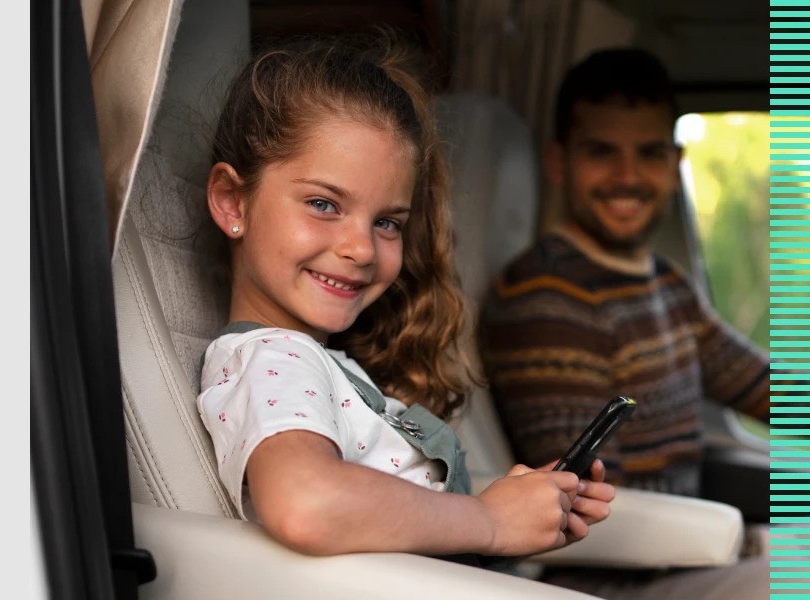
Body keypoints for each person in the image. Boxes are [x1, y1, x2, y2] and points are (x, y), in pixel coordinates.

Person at [195, 34, 614, 565]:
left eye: (387, 222)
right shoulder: (275, 359)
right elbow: (306, 504)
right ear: (233, 202)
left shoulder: (325, 366)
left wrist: (515, 508)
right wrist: (489, 522)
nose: (361, 248)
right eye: (323, 204)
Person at [478, 48, 769, 598]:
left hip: (692, 556)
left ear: (675, 163)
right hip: (614, 579)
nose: (628, 176)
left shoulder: (665, 282)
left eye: (650, 153)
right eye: (602, 152)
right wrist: (755, 543)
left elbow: (764, 387)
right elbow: (586, 503)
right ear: (559, 162)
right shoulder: (546, 300)